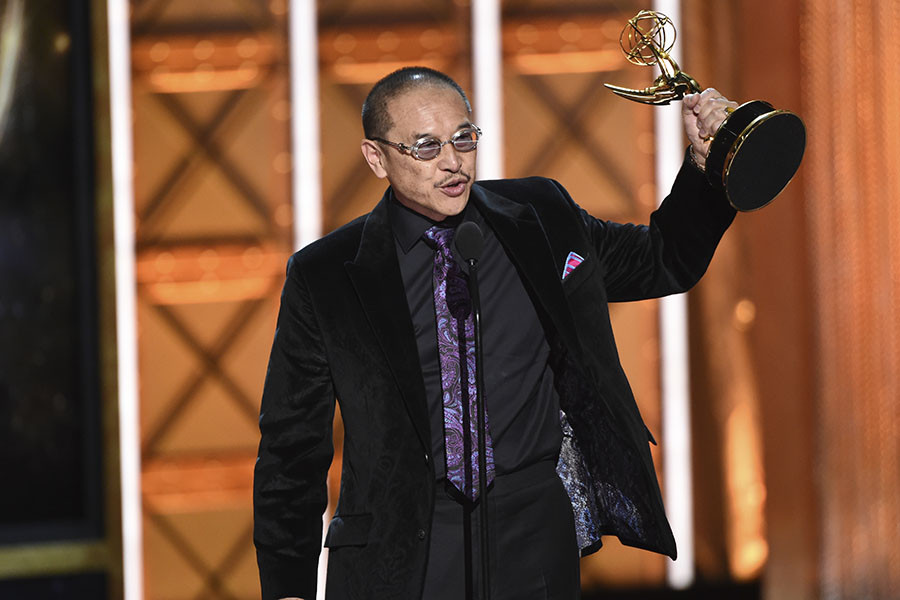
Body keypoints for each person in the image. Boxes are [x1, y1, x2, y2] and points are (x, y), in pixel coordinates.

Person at [253, 66, 738, 600]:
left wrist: (704, 163)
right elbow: (291, 451)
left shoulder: (540, 216)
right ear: (377, 157)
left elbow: (663, 259)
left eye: (464, 138)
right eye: (425, 146)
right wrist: (287, 589)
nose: (452, 161)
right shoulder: (325, 275)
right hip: (401, 552)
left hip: (532, 536)